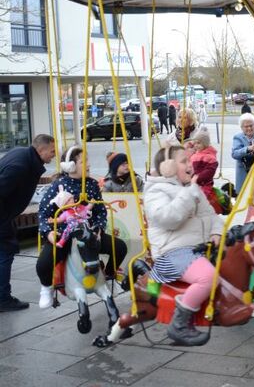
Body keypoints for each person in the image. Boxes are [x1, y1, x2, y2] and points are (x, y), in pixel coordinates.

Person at [144, 145, 223, 345]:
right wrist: (188, 193)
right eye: (184, 161)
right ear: (168, 167)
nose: (191, 164)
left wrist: (216, 232)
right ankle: (179, 324)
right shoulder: (156, 191)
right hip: (171, 252)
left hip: (196, 248)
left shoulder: (190, 188)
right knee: (208, 277)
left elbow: (210, 214)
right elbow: (170, 218)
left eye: (190, 160)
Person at [36, 146, 127, 309]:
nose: (88, 164)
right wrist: (49, 233)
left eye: (88, 161)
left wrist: (98, 228)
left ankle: (109, 276)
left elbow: (100, 211)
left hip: (88, 234)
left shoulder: (92, 185)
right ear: (70, 166)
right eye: (83, 161)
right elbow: (43, 213)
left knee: (119, 247)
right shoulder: (58, 186)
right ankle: (46, 288)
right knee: (43, 264)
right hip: (64, 234)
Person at [0, 134, 55, 311]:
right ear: (41, 150)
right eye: (52, 151)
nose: (53, 155)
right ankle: (2, 299)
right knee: (5, 253)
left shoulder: (22, 155)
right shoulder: (20, 166)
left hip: (5, 215)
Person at [190, 129, 223, 214]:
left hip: (204, 184)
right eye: (195, 143)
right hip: (193, 182)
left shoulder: (209, 157)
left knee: (200, 200)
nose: (196, 145)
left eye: (199, 143)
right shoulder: (195, 154)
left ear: (205, 143)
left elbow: (209, 172)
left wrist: (196, 178)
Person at [231, 113, 254, 195]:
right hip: (244, 173)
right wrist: (248, 149)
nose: (249, 128)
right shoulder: (238, 137)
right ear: (241, 127)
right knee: (244, 197)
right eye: (246, 126)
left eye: (251, 125)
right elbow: (234, 154)